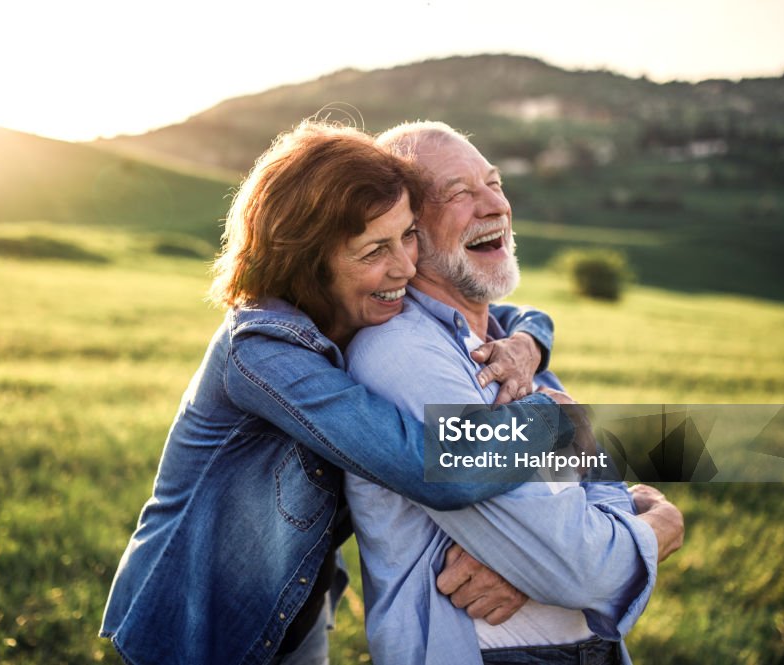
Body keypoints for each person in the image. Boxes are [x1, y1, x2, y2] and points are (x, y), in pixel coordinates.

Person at [99, 121, 580, 665]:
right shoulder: (263, 353)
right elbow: (440, 466)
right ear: (309, 260)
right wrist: (565, 424)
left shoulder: (370, 314)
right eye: (375, 250)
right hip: (199, 629)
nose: (404, 265)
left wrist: (527, 344)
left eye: (407, 236)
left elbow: (519, 315)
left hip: (294, 611)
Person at [344, 121, 685, 665]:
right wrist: (657, 523)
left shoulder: (507, 349)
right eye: (458, 193)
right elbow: (578, 567)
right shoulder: (402, 355)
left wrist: (537, 566)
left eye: (494, 183)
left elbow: (572, 513)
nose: (494, 206)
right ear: (409, 233)